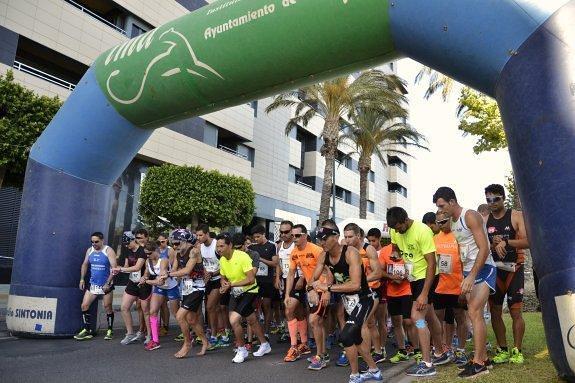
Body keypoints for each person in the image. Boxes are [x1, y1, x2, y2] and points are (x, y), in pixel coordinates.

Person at [434, 186, 496, 378]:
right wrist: (464, 276)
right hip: (469, 271)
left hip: (484, 268)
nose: (441, 210)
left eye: (443, 205)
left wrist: (471, 276)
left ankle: (479, 364)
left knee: (474, 312)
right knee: (472, 313)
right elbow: (463, 253)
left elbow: (484, 248)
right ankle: (483, 358)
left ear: (452, 201)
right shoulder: (452, 222)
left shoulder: (469, 215)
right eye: (438, 207)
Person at [313, 222, 383, 383]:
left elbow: (355, 284)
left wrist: (327, 288)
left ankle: (358, 373)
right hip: (348, 300)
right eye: (319, 239)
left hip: (365, 299)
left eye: (324, 239)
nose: (321, 242)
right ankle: (372, 371)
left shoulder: (351, 252)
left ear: (335, 238)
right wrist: (311, 288)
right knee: (353, 338)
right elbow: (314, 277)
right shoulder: (324, 255)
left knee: (347, 334)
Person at [387, 207, 444, 377]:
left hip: (428, 276)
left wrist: (424, 294)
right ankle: (440, 352)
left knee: (417, 318)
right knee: (430, 315)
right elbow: (395, 248)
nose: (397, 231)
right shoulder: (395, 230)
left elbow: (432, 263)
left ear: (405, 220)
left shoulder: (422, 231)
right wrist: (396, 255)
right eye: (394, 229)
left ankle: (427, 364)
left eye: (399, 227)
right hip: (412, 278)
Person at [485, 184, 530, 364]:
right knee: (495, 311)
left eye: (496, 199)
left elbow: (528, 241)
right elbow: (480, 246)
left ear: (503, 198)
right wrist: (492, 243)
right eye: (489, 200)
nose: (492, 203)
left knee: (515, 311)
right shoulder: (484, 220)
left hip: (514, 269)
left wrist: (505, 242)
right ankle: (502, 349)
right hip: (495, 270)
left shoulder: (516, 216)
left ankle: (517, 350)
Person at [216, 233, 272, 363]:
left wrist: (231, 284)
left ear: (230, 245)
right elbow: (223, 276)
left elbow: (251, 279)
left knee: (234, 320)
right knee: (251, 320)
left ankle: (242, 349)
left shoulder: (242, 257)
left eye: (221, 246)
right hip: (235, 292)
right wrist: (223, 284)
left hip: (250, 291)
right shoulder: (222, 259)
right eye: (217, 246)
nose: (219, 249)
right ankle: (265, 344)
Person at [433, 210, 468, 366]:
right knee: (437, 319)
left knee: (460, 317)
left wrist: (464, 286)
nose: (441, 225)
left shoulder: (459, 236)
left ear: (450, 220)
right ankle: (443, 349)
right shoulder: (434, 239)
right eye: (438, 222)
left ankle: (460, 350)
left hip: (457, 286)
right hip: (440, 286)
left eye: (444, 222)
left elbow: (466, 261)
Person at [346, 225, 384, 368]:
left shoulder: (368, 249)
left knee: (364, 323)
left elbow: (378, 273)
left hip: (371, 290)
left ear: (359, 236)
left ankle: (367, 355)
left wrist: (359, 281)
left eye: (350, 237)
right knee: (369, 323)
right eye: (346, 237)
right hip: (354, 292)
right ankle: (378, 351)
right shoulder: (346, 250)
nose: (347, 240)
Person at [168, 229, 208, 358]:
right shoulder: (178, 253)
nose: (175, 246)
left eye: (177, 243)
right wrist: (164, 275)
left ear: (185, 241)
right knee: (191, 320)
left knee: (180, 316)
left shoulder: (194, 251)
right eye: (173, 244)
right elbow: (174, 269)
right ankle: (206, 342)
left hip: (197, 288)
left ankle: (187, 343)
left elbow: (186, 270)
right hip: (186, 288)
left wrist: (169, 274)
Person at [282, 224, 317, 363]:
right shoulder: (294, 252)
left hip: (317, 287)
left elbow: (325, 270)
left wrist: (320, 288)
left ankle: (321, 352)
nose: (294, 238)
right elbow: (290, 274)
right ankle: (297, 345)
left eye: (297, 235)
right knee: (292, 310)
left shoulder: (316, 249)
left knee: (317, 320)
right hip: (302, 285)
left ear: (305, 235)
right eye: (293, 236)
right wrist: (286, 294)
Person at [378, 238, 416, 364]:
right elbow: (380, 270)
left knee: (412, 321)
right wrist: (391, 276)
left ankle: (418, 349)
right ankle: (402, 350)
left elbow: (416, 268)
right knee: (396, 322)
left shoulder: (408, 246)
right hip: (391, 292)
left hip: (408, 290)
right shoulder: (384, 251)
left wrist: (407, 274)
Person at [74, 232, 117, 341]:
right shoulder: (90, 250)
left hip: (106, 284)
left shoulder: (108, 251)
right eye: (92, 242)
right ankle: (87, 330)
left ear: (102, 240)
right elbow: (85, 264)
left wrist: (108, 283)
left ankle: (110, 330)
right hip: (93, 284)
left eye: (96, 241)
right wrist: (82, 279)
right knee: (84, 305)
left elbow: (114, 269)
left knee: (107, 307)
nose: (94, 244)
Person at [115, 231, 152, 345]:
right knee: (124, 307)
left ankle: (149, 335)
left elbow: (137, 267)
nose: (127, 246)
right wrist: (119, 269)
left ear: (133, 240)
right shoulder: (128, 250)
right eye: (125, 244)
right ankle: (130, 333)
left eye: (128, 243)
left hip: (143, 283)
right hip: (132, 282)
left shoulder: (142, 251)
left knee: (145, 310)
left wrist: (121, 269)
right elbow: (127, 266)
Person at [143, 242, 181, 351]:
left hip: (171, 287)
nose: (147, 256)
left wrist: (148, 281)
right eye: (146, 254)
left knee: (177, 314)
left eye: (149, 253)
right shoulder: (148, 261)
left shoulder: (163, 260)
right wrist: (144, 278)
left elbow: (160, 281)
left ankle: (188, 333)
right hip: (160, 288)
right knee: (153, 311)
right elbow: (146, 273)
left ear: (156, 250)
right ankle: (155, 340)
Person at [196, 224, 228, 349]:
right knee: (216, 309)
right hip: (209, 280)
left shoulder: (216, 245)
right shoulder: (200, 247)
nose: (198, 238)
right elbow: (203, 263)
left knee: (210, 307)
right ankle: (222, 333)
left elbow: (225, 263)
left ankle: (215, 335)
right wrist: (205, 273)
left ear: (207, 234)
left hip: (219, 279)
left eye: (200, 235)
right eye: (197, 235)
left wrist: (212, 273)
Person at [249, 225, 279, 339]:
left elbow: (275, 263)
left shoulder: (272, 246)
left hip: (267, 281)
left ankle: (266, 331)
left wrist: (260, 259)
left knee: (267, 306)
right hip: (255, 281)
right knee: (254, 307)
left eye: (258, 237)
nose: (256, 239)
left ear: (263, 234)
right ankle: (255, 331)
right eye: (254, 237)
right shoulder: (252, 247)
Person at [366, 227, 389, 362]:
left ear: (380, 239)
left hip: (383, 288)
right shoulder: (366, 251)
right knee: (370, 321)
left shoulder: (384, 251)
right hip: (370, 288)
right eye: (369, 241)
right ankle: (375, 348)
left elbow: (386, 269)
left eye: (374, 240)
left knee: (382, 320)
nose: (371, 243)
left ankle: (382, 347)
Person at [157, 233, 176, 336]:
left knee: (169, 306)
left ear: (167, 240)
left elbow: (172, 265)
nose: (161, 244)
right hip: (158, 279)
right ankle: (161, 326)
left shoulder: (170, 250)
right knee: (161, 304)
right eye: (158, 242)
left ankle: (166, 325)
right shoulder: (157, 250)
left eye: (162, 241)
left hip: (168, 280)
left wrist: (166, 274)